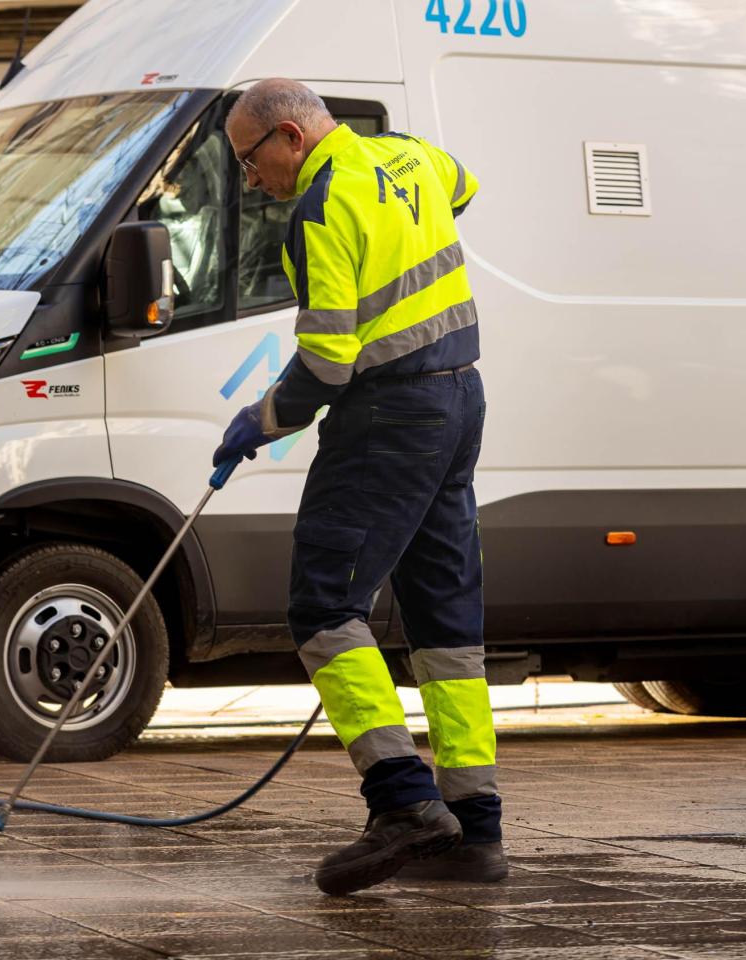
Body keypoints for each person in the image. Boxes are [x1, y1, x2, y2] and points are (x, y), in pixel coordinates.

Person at [213, 79, 501, 895]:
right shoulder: (409, 157)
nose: (251, 179)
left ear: (291, 138)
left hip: (388, 420)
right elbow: (465, 186)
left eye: (249, 159)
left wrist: (260, 421)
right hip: (458, 400)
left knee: (322, 607)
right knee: (445, 621)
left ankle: (405, 802)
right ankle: (475, 830)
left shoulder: (320, 208)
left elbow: (330, 360)